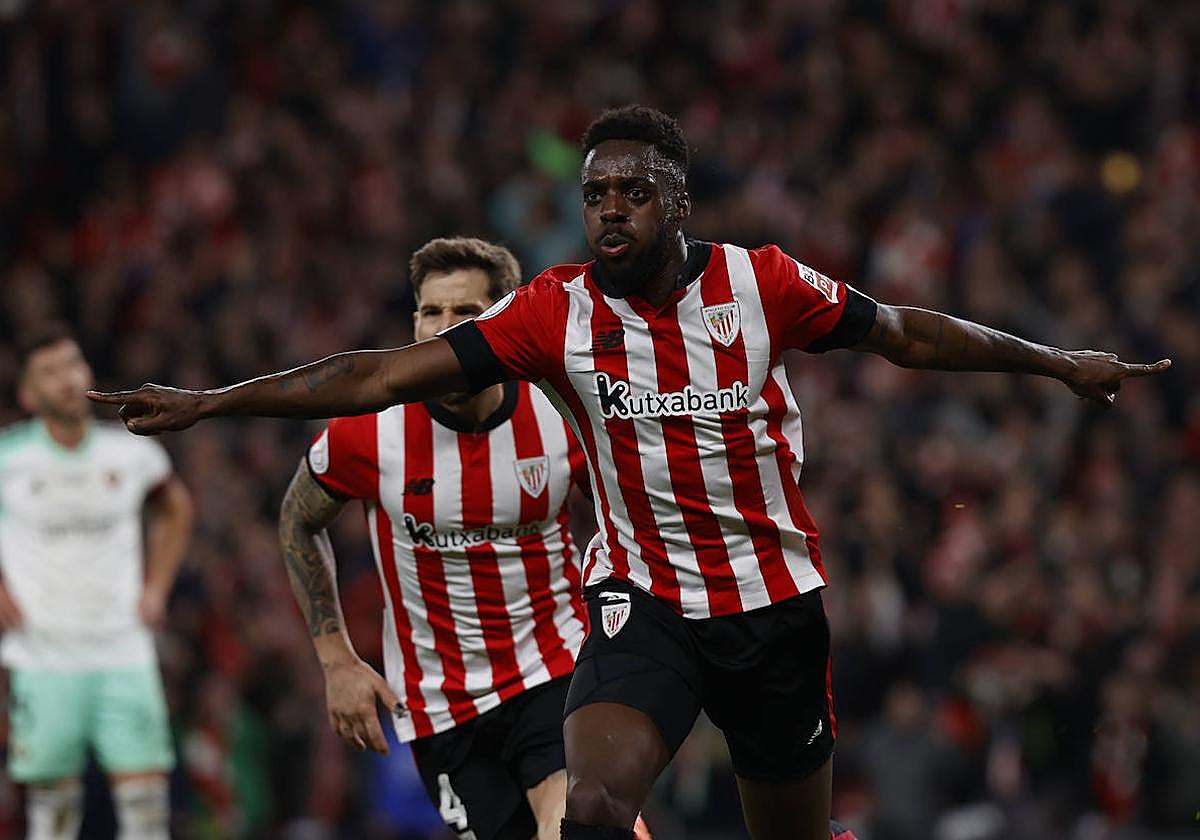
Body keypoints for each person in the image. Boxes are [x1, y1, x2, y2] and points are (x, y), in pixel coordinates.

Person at [89, 105, 1171, 840]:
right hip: (641, 603)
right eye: (596, 193)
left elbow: (909, 334)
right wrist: (214, 401)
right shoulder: (554, 310)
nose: (608, 210)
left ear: (678, 203)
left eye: (632, 193)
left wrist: (1051, 362)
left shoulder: (765, 285)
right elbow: (376, 374)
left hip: (772, 609)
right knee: (597, 811)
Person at [276, 237, 607, 840]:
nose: (445, 331)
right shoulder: (370, 432)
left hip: (556, 669)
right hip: (440, 707)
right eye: (432, 313)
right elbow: (299, 517)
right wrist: (336, 661)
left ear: (503, 323)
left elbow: (627, 514)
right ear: (414, 322)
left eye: (467, 315)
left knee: (573, 824)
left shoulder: (560, 412)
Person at [1, 326, 193, 840]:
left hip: (123, 650)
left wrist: (157, 586)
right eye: (49, 372)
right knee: (52, 814)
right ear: (27, 393)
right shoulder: (9, 459)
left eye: (72, 365)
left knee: (146, 810)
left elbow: (175, 507)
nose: (66, 380)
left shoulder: (131, 454)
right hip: (43, 654)